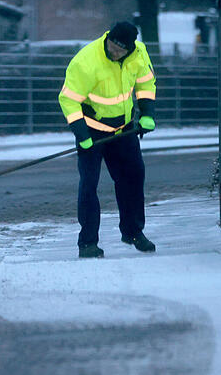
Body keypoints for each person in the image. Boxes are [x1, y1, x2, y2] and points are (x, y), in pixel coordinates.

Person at [58, 21, 157, 258]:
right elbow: (68, 99)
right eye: (111, 46)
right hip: (92, 130)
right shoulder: (86, 61)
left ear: (130, 48)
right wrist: (81, 135)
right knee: (89, 184)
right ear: (108, 38)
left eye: (119, 50)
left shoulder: (139, 54)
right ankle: (88, 242)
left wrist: (147, 114)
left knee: (133, 177)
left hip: (123, 129)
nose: (113, 52)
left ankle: (133, 232)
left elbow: (145, 83)